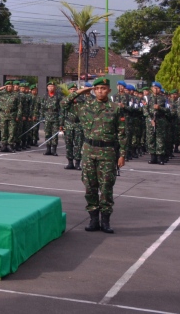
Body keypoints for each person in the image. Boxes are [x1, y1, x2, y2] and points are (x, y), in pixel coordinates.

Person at [64, 77, 126, 234]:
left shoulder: (115, 108)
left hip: (108, 153)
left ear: (109, 91)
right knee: (90, 186)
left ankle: (105, 221)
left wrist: (122, 154)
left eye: (103, 88)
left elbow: (122, 133)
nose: (100, 91)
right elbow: (64, 104)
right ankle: (93, 219)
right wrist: (81, 91)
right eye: (97, 89)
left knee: (106, 187)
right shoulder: (85, 107)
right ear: (93, 90)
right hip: (89, 151)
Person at [40, 81, 62, 155]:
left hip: (55, 116)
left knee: (54, 134)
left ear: (54, 87)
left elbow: (61, 108)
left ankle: (54, 150)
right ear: (47, 87)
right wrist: (41, 116)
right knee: (47, 133)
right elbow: (42, 107)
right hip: (47, 116)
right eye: (49, 86)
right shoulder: (45, 96)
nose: (51, 88)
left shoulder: (58, 96)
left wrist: (61, 119)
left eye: (52, 86)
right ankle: (48, 149)